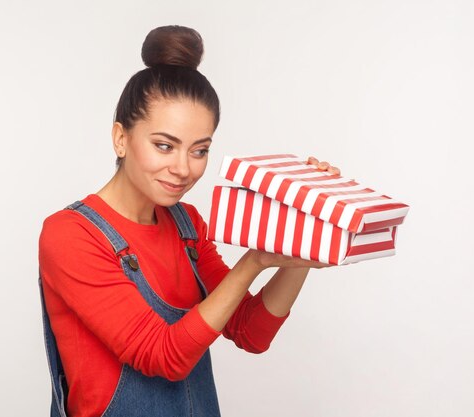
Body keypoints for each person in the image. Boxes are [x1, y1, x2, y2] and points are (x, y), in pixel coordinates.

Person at [38, 25, 341, 417]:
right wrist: (253, 262)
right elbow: (163, 356)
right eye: (164, 145)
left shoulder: (187, 226)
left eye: (199, 150)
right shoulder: (71, 235)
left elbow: (252, 332)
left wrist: (302, 240)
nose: (183, 169)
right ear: (121, 138)